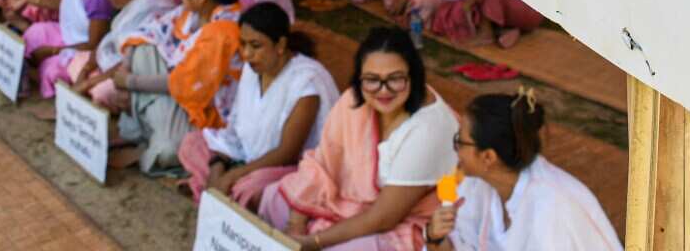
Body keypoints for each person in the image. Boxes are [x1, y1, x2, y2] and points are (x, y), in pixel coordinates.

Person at [260, 27, 459, 251]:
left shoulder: (429, 130)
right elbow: (321, 163)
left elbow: (384, 218)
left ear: (414, 76)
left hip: (401, 222)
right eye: (372, 79)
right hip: (346, 204)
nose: (383, 91)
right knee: (271, 197)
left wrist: (312, 242)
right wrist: (296, 223)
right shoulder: (355, 99)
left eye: (395, 79)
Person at [178, 2, 339, 206]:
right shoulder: (251, 69)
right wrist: (219, 163)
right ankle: (217, 187)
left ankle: (214, 189)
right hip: (247, 158)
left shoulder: (306, 82)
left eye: (255, 46)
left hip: (289, 168)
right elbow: (234, 128)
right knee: (192, 143)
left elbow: (287, 153)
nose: (246, 54)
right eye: (243, 44)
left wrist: (234, 175)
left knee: (251, 188)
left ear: (280, 45)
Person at [424, 91, 622, 251]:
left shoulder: (553, 208)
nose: (456, 149)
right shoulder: (475, 185)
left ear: (488, 157)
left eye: (460, 141)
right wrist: (435, 239)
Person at [115, 0, 243, 173]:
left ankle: (149, 134)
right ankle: (151, 129)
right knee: (142, 50)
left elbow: (185, 84)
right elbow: (147, 32)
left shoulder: (223, 31)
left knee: (168, 152)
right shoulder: (191, 14)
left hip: (205, 111)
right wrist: (125, 72)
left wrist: (129, 82)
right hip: (177, 95)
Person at [67, 0, 174, 110]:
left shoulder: (155, 7)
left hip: (139, 73)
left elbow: (132, 61)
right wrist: (86, 70)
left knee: (103, 91)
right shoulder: (131, 3)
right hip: (112, 62)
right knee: (77, 61)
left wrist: (90, 82)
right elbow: (109, 39)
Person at [20, 0, 112, 98]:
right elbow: (68, 2)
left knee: (52, 71)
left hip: (86, 49)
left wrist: (54, 50)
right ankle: (30, 71)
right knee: (34, 33)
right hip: (70, 37)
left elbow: (93, 44)